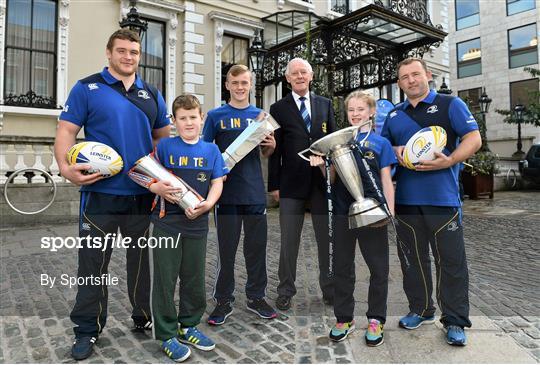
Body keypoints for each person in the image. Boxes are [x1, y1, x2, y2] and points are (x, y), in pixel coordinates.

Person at [54, 29, 171, 360]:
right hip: (99, 193)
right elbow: (66, 131)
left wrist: (161, 178)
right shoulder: (87, 88)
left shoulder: (151, 93)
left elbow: (163, 139)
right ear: (109, 53)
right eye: (122, 51)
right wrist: (65, 167)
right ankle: (88, 330)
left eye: (134, 52)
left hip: (141, 193)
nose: (128, 57)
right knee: (93, 264)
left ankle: (142, 317)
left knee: (139, 264)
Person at [381, 57, 482, 346]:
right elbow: (383, 152)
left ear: (428, 75)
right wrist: (394, 149)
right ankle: (421, 309)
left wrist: (449, 160)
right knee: (413, 261)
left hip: (443, 200)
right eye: (404, 77)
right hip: (406, 203)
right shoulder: (394, 116)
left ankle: (455, 320)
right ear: (399, 83)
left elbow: (473, 139)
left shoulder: (451, 105)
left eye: (415, 74)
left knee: (451, 263)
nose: (411, 80)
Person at [311, 91, 396, 346]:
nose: (356, 114)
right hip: (341, 213)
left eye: (361, 109)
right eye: (351, 110)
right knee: (342, 267)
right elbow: (334, 180)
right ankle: (344, 318)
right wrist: (322, 166)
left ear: (371, 112)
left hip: (373, 214)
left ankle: (376, 319)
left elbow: (386, 180)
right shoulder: (338, 142)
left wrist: (390, 210)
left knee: (378, 268)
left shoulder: (381, 143)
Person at [147, 94, 224, 362]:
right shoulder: (166, 147)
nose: (189, 122)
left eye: (193, 117)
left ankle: (188, 325)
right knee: (165, 279)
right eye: (183, 118)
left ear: (202, 119)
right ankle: (167, 334)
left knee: (193, 277)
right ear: (174, 121)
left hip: (197, 224)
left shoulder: (211, 151)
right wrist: (154, 187)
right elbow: (146, 173)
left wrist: (209, 205)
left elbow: (217, 182)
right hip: (166, 223)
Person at [202, 64, 277, 325]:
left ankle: (257, 297)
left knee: (256, 250)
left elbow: (265, 154)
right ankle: (223, 300)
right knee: (227, 251)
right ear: (227, 85)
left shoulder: (261, 116)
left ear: (250, 84)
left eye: (244, 83)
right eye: (235, 83)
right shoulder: (215, 116)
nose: (240, 87)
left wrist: (272, 145)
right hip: (226, 195)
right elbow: (206, 151)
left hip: (255, 192)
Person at [268, 58, 336, 311]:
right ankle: (285, 290)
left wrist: (332, 173)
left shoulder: (325, 104)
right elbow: (274, 151)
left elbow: (334, 140)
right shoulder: (278, 108)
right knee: (288, 240)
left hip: (321, 182)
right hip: (290, 184)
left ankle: (330, 289)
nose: (299, 76)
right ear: (287, 78)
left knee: (326, 239)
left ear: (311, 76)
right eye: (294, 73)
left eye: (303, 72)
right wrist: (274, 185)